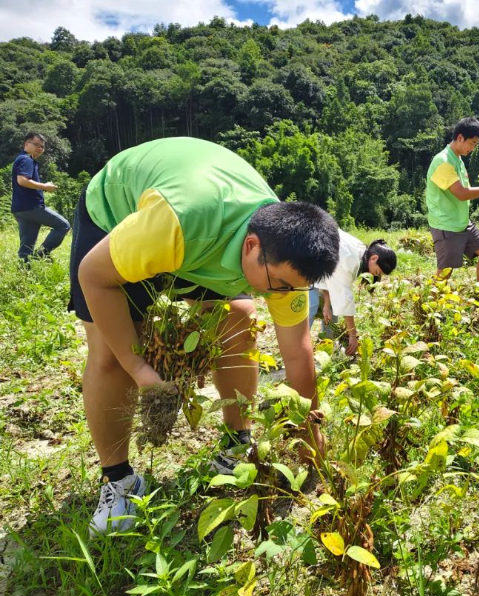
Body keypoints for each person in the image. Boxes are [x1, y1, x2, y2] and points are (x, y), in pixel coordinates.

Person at [69, 137, 340, 536]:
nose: (279, 296)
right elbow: (93, 276)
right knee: (112, 354)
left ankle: (235, 443)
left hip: (200, 237)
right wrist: (141, 368)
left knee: (240, 317)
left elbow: (298, 355)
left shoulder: (287, 263)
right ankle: (118, 482)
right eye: (277, 285)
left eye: (290, 290)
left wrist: (309, 433)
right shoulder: (179, 225)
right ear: (252, 247)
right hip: (118, 215)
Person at [425, 117, 479, 282]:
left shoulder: (458, 160)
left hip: (462, 222)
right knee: (444, 274)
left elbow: (467, 190)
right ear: (459, 138)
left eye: (476, 144)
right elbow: (462, 193)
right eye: (472, 142)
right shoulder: (442, 162)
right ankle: (429, 306)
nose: (473, 147)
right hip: (446, 225)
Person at [308, 233, 397, 356]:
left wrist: (327, 304)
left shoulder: (361, 252)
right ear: (374, 258)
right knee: (310, 305)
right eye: (378, 272)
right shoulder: (349, 258)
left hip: (317, 266)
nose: (377, 276)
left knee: (331, 308)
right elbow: (344, 299)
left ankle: (327, 347)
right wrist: (353, 335)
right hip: (303, 261)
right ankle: (297, 351)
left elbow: (330, 278)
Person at [11, 132, 71, 263]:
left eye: (42, 146)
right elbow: (22, 180)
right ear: (26, 144)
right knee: (63, 226)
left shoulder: (22, 159)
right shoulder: (26, 159)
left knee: (26, 247)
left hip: (20, 209)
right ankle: (40, 255)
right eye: (36, 144)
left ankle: (25, 272)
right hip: (32, 207)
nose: (40, 148)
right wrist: (45, 186)